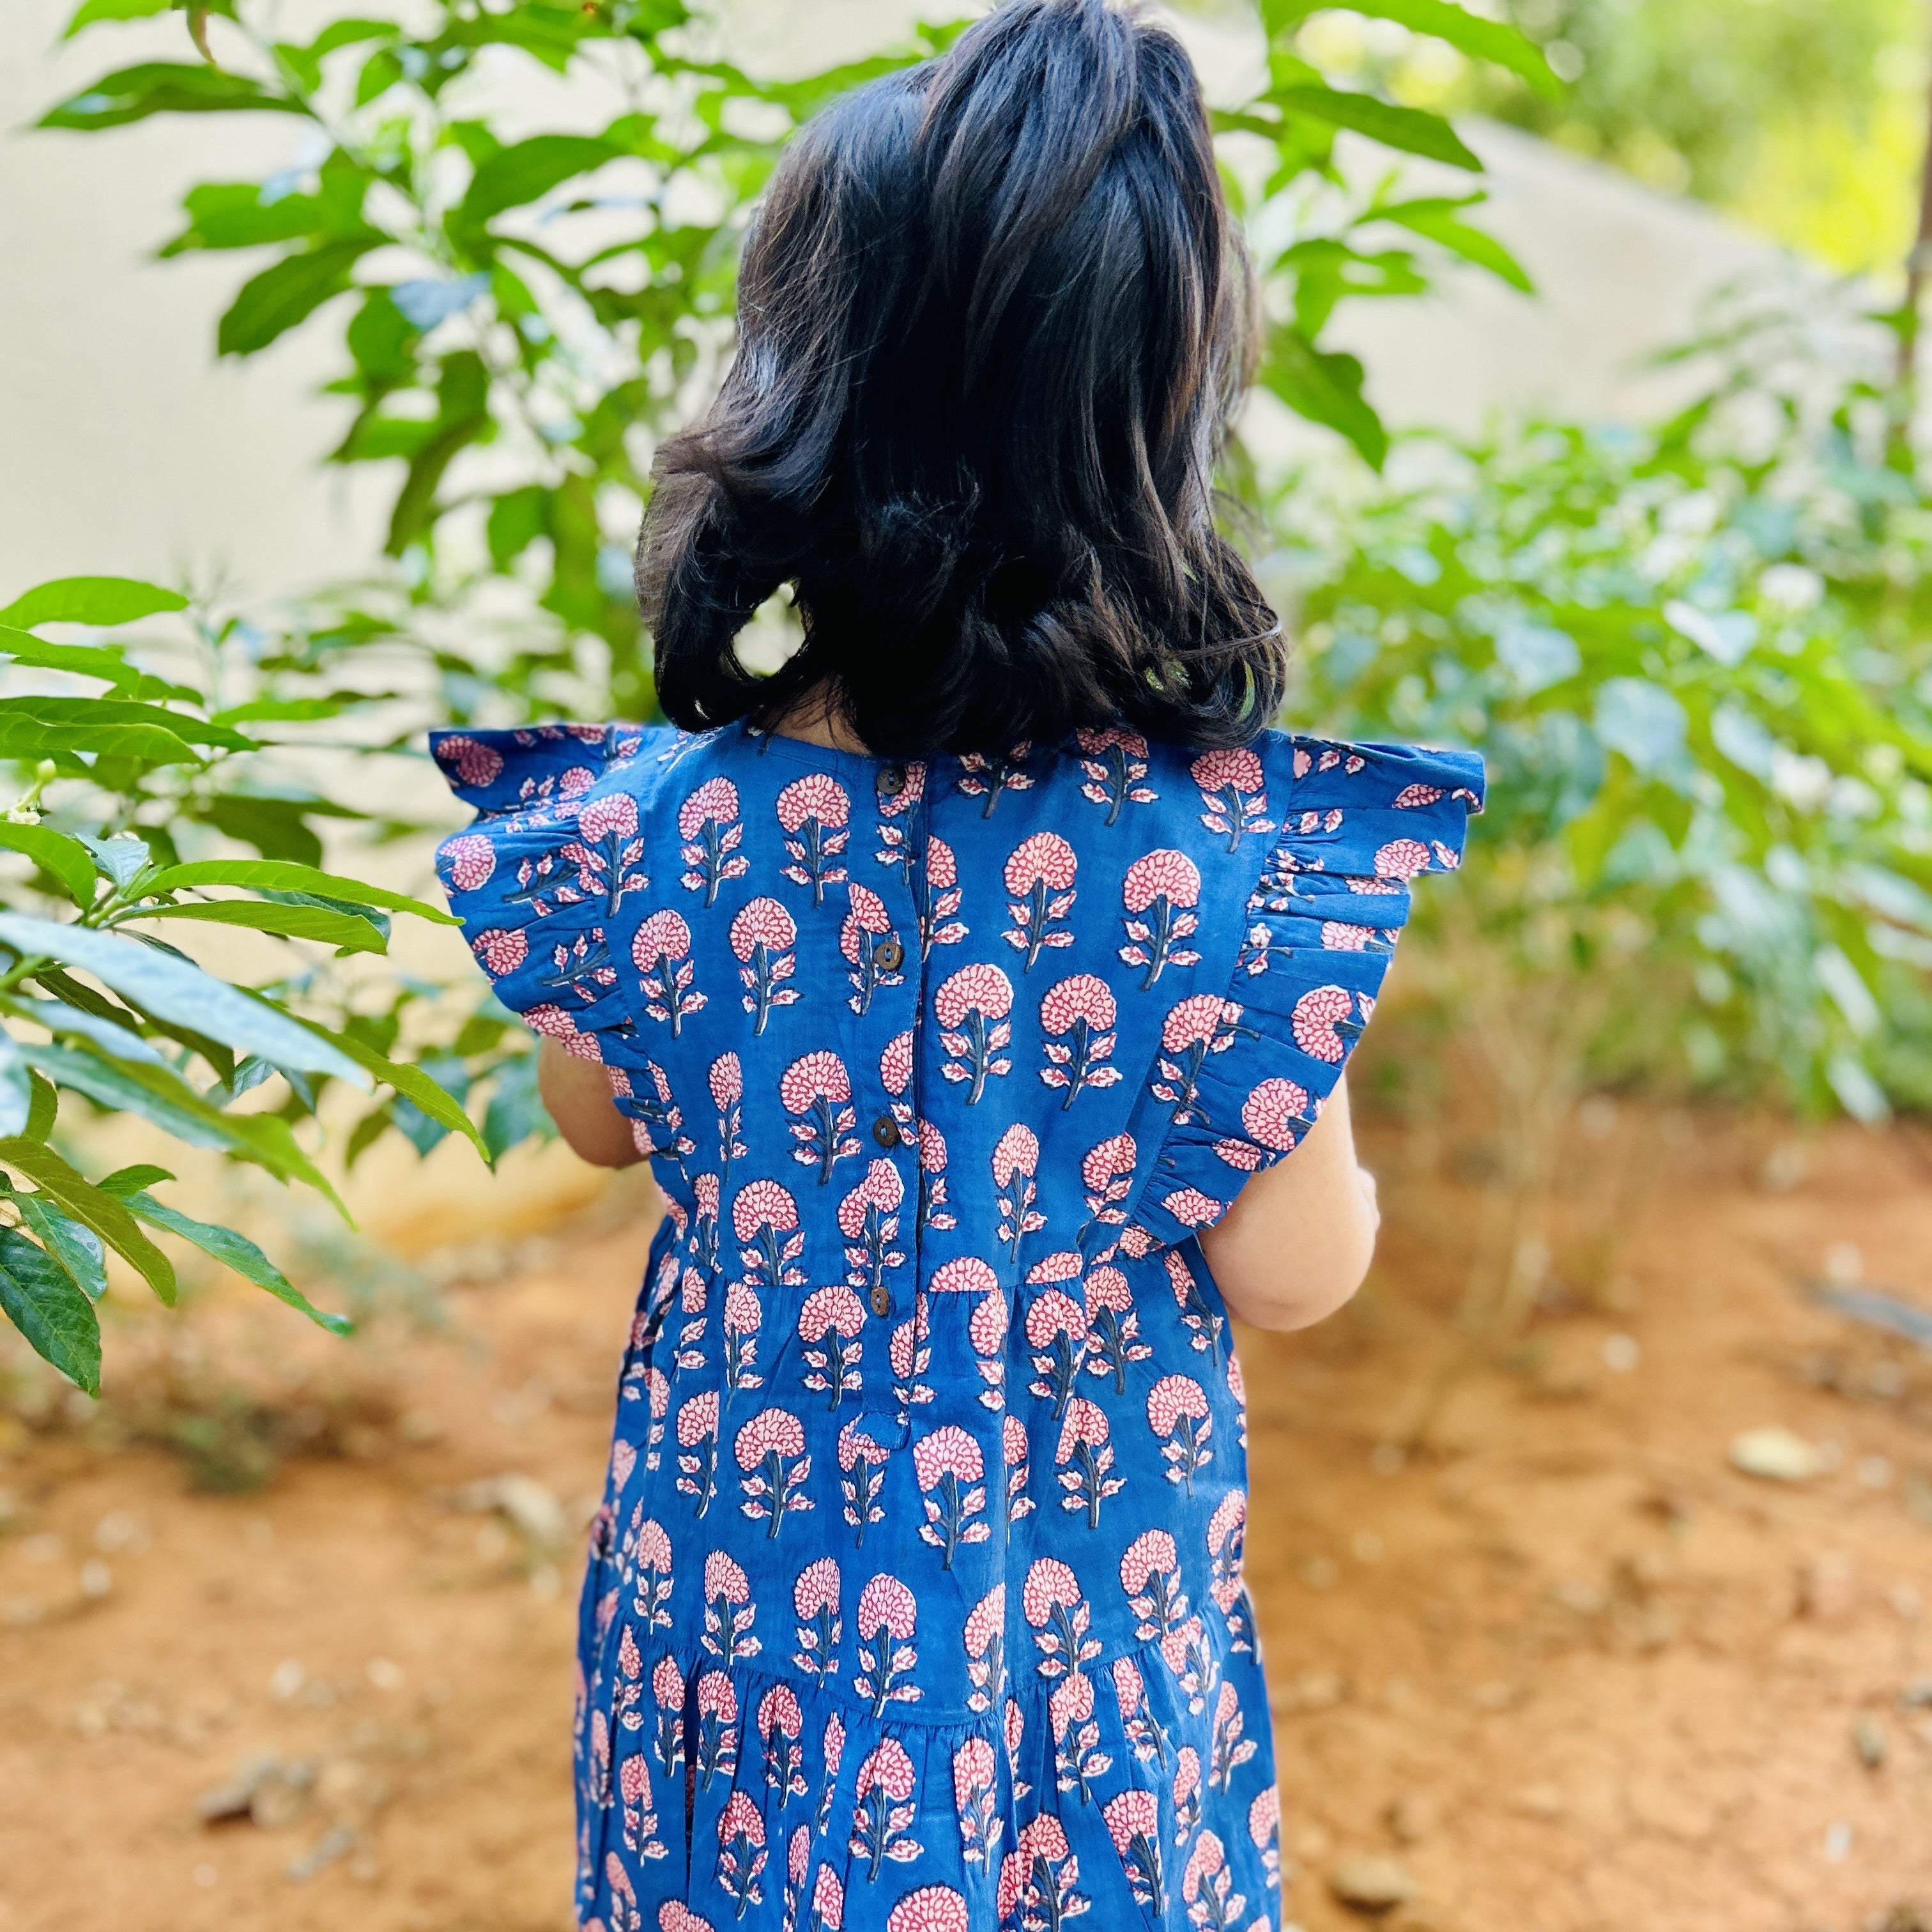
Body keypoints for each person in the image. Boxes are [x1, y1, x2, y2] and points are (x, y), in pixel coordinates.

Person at [431, 3, 1482, 1926]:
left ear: (790, 403)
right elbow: (1300, 1271)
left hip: (733, 1630)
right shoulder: (1218, 877)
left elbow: (592, 1119)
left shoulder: (661, 832)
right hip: (1060, 1658)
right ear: (1156, 422)